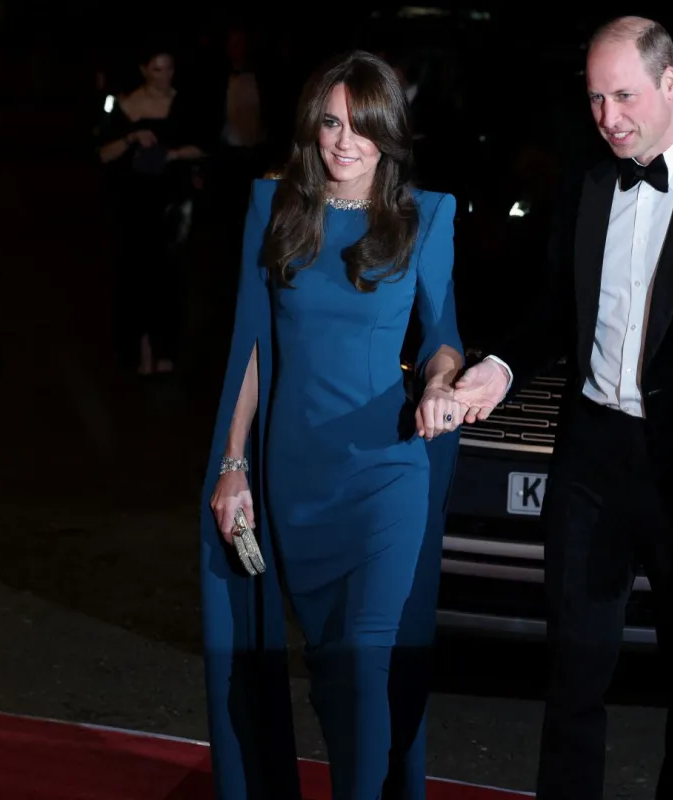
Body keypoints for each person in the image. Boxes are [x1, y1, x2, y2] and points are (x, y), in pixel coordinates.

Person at [453, 16, 673, 800]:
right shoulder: (585, 185)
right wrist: (500, 369)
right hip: (591, 457)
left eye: (624, 95)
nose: (608, 118)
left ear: (670, 82)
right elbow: (555, 311)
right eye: (594, 99)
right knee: (574, 666)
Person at [198, 49, 467, 799]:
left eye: (362, 126)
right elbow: (253, 349)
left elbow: (442, 334)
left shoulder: (427, 215)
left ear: (390, 132)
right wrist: (233, 464)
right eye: (330, 123)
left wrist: (442, 379)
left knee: (366, 663)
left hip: (387, 469)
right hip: (297, 477)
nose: (344, 142)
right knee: (328, 669)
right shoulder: (275, 208)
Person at [97, 47, 207, 375]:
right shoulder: (122, 104)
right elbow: (103, 153)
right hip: (132, 203)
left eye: (169, 69)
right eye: (158, 70)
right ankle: (139, 347)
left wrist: (169, 155)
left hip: (171, 203)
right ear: (144, 70)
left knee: (169, 277)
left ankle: (165, 347)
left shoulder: (184, 103)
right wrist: (132, 138)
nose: (165, 76)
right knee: (134, 276)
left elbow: (203, 146)